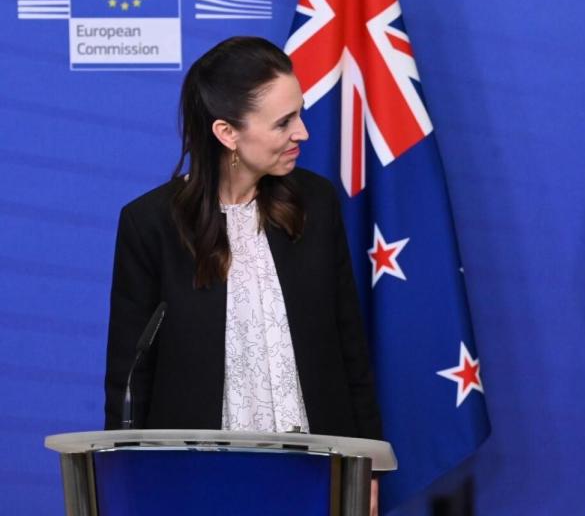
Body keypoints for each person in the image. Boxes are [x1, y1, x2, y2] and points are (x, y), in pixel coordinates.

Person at [104, 37, 383, 503]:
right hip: (197, 483)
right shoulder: (149, 225)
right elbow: (130, 376)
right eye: (283, 122)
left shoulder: (316, 204)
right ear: (227, 133)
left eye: (300, 114)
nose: (303, 133)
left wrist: (368, 469)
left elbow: (349, 344)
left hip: (315, 478)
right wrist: (123, 484)